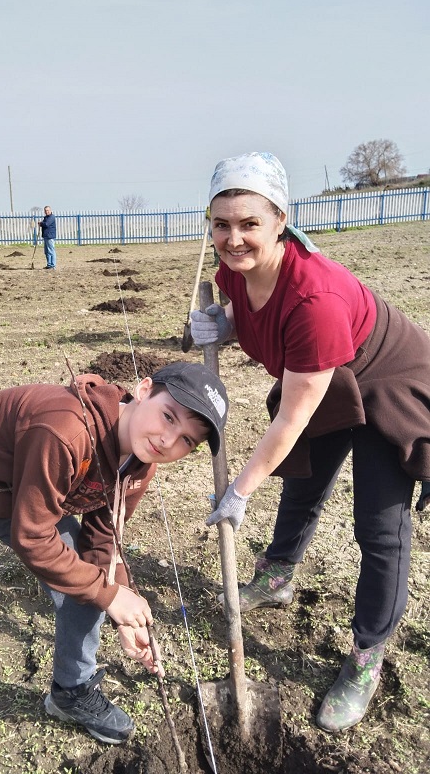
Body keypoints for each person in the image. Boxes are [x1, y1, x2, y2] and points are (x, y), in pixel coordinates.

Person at [0, 361, 229, 773]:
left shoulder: (141, 460)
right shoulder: (64, 429)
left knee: (89, 582)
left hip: (30, 499)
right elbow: (32, 538)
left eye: (186, 441)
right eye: (168, 416)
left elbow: (103, 541)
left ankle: (72, 689)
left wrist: (120, 609)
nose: (167, 439)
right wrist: (110, 594)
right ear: (144, 390)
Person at [190, 151, 430, 734]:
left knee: (378, 530)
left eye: (249, 223)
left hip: (386, 384)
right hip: (331, 375)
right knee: (302, 482)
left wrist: (241, 490)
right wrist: (224, 321)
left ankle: (366, 657)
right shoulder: (233, 271)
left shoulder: (314, 298)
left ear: (281, 220)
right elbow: (244, 308)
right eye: (221, 224)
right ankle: (278, 574)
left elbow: (293, 416)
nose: (233, 238)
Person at [38, 205, 57, 269]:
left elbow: (46, 224)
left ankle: (53, 265)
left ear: (50, 210)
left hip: (50, 236)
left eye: (48, 210)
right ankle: (49, 264)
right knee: (46, 252)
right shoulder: (46, 217)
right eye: (45, 211)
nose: (47, 212)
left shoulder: (52, 217)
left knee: (51, 251)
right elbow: (44, 224)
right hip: (46, 236)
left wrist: (41, 223)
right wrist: (41, 224)